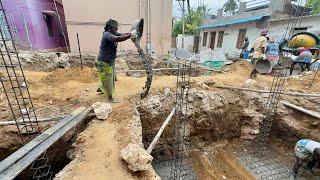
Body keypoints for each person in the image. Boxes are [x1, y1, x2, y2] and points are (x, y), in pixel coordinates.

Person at [96, 19, 137, 103]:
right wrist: (130, 35)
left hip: (109, 60)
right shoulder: (108, 35)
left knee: (108, 77)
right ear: (110, 28)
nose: (116, 31)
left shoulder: (112, 33)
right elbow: (117, 38)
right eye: (115, 29)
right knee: (108, 79)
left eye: (117, 29)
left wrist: (131, 34)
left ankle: (100, 89)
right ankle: (110, 97)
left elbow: (122, 35)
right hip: (105, 62)